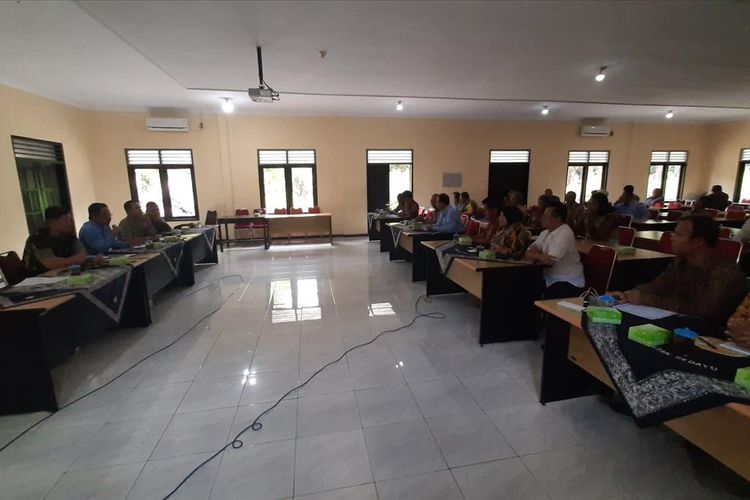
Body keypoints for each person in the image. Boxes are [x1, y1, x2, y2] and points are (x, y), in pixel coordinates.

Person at [610, 215, 747, 326]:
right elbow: (658, 285)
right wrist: (630, 294)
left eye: (678, 234)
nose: (672, 237)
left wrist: (646, 299)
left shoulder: (724, 272)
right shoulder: (681, 261)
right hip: (678, 322)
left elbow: (702, 312)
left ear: (698, 241)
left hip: (709, 334)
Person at [525, 202, 585, 298]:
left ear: (558, 218)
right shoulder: (545, 232)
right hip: (550, 277)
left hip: (567, 281)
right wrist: (541, 256)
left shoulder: (565, 233)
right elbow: (530, 251)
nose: (542, 218)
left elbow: (549, 261)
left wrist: (538, 256)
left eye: (545, 216)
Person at [23, 206, 87, 276]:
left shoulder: (69, 237)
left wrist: (70, 261)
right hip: (38, 279)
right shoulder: (37, 239)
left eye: (70, 220)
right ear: (51, 222)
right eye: (65, 221)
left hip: (63, 275)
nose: (70, 224)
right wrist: (76, 260)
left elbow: (82, 253)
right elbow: (51, 263)